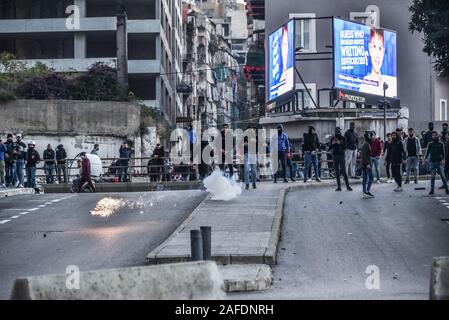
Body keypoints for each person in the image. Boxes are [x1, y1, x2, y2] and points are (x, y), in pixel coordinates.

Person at [359, 27, 397, 97]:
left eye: (380, 48)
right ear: (370, 48)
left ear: (383, 52)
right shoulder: (364, 83)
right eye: (374, 46)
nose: (377, 55)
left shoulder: (392, 82)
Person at [329, 127, 352, 192]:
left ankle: (348, 186)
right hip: (335, 156)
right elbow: (330, 147)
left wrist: (339, 143)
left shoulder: (343, 138)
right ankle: (339, 187)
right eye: (336, 132)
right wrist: (332, 144)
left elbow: (345, 147)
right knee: (337, 172)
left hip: (341, 156)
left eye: (338, 131)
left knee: (344, 172)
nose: (337, 133)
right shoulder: (333, 138)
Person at [360, 131, 374, 198]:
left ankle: (365, 192)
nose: (372, 138)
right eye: (371, 136)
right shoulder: (366, 144)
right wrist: (368, 164)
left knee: (365, 178)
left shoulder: (366, 144)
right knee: (371, 178)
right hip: (366, 164)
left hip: (365, 164)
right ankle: (366, 192)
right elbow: (363, 156)